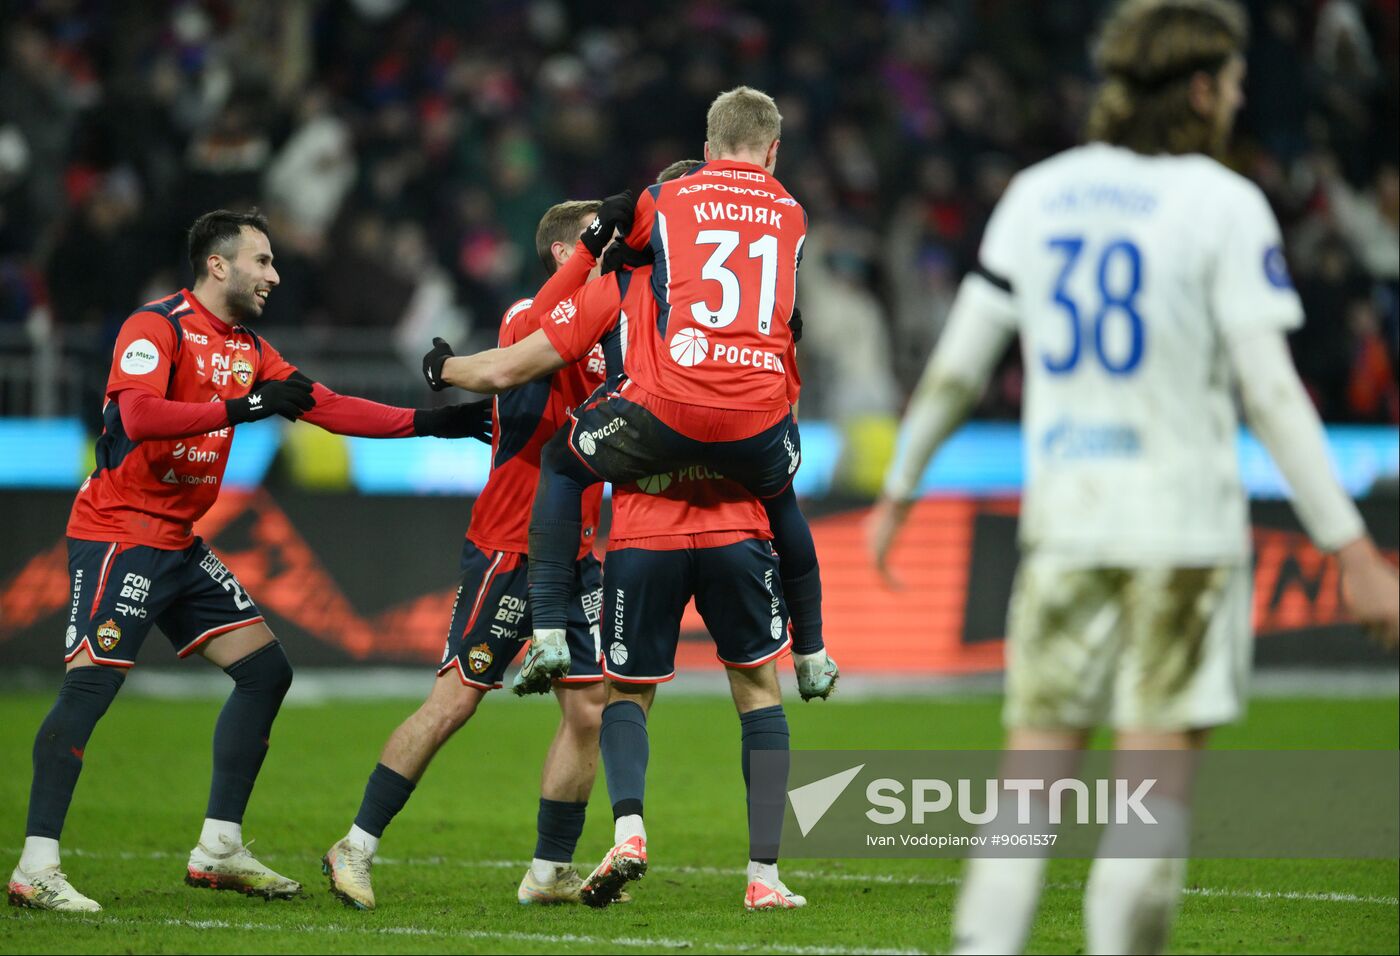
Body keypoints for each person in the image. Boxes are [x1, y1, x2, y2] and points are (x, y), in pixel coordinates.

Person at [867, 2, 1400, 953]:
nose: (1239, 101)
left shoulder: (1038, 193)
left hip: (1067, 528)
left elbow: (956, 367)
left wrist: (902, 486)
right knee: (1148, 803)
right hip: (1182, 538)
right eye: (1232, 84)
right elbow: (1271, 393)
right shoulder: (1221, 202)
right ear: (1199, 88)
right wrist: (1353, 547)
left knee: (1027, 789)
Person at [8, 208, 492, 913]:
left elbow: (323, 404)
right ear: (217, 265)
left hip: (177, 540)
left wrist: (428, 422)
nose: (274, 273)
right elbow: (139, 416)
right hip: (121, 533)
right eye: (261, 260)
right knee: (89, 691)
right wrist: (243, 407)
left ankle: (219, 847)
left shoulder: (246, 348)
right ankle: (36, 866)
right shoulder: (155, 328)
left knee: (265, 671)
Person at [425, 100, 838, 700]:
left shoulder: (628, 269)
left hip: (647, 517)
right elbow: (785, 360)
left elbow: (520, 351)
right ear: (773, 151)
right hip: (740, 502)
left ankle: (549, 634)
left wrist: (443, 368)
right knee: (757, 683)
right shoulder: (790, 217)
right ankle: (814, 649)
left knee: (623, 695)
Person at [321, 198, 632, 911]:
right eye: (595, 241)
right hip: (511, 547)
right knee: (454, 703)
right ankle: (355, 845)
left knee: (589, 709)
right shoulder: (530, 313)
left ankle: (550, 868)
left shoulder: (609, 318)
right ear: (566, 251)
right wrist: (452, 370)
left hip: (579, 550)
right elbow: (501, 371)